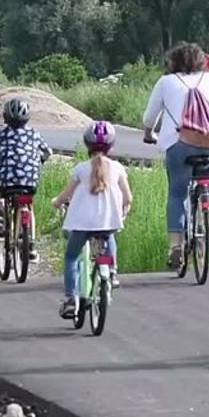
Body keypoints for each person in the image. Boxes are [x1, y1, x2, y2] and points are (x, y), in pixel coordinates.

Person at [141, 42, 209, 269]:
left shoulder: (166, 82)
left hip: (180, 145)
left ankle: (175, 246)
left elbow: (149, 117)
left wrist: (149, 133)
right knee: (208, 168)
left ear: (174, 62)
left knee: (177, 193)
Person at [52, 121, 132, 319]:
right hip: (107, 221)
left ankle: (71, 299)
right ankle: (111, 272)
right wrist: (124, 208)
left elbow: (66, 195)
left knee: (71, 257)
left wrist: (56, 201)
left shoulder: (80, 169)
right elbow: (128, 197)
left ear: (86, 145)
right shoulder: (118, 168)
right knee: (108, 236)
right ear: (111, 146)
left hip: (81, 223)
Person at [0, 97, 52, 261]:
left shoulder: (2, 133)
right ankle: (31, 246)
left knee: (0, 193)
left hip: (7, 181)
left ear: (5, 116)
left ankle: (0, 216)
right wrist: (40, 160)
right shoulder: (33, 133)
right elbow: (48, 152)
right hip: (29, 182)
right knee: (28, 207)